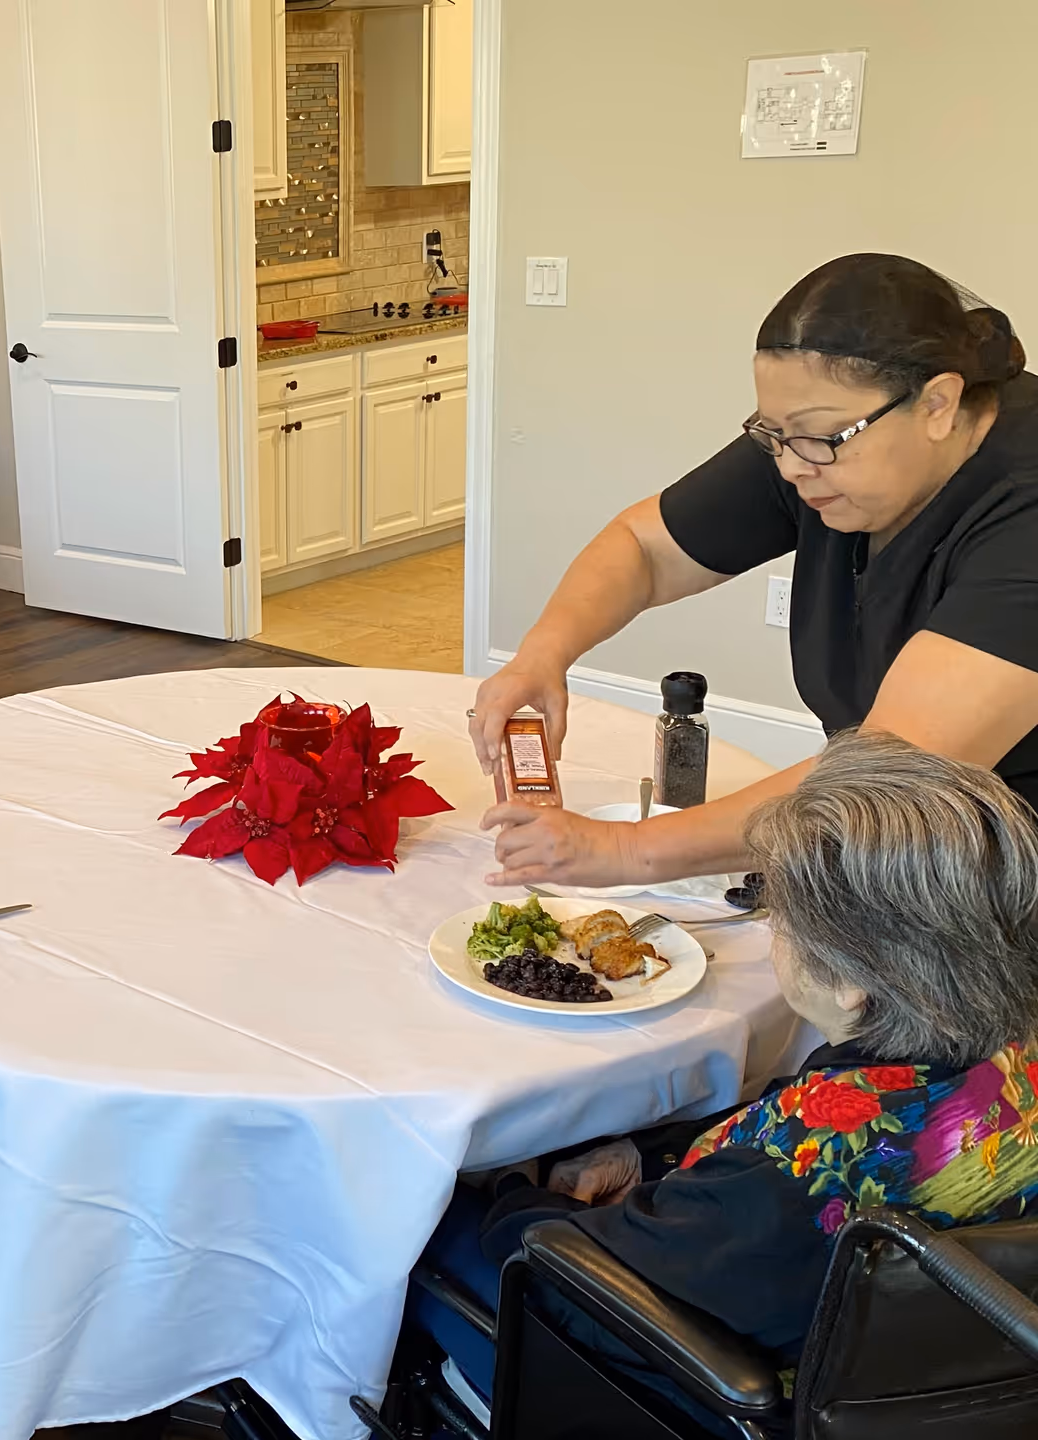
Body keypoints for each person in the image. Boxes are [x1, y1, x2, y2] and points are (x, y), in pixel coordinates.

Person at [411, 729, 1038, 1417]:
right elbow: (795, 1119)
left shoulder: (790, 1179)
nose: (776, 934)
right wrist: (648, 1156)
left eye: (784, 919)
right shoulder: (995, 1049)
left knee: (416, 1211)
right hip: (924, 1359)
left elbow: (563, 1272)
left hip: (671, 1387)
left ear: (852, 982)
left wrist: (511, 1192)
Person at [470, 253, 1038, 887]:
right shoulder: (816, 447)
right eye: (774, 434)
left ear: (937, 403)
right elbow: (645, 547)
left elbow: (891, 771)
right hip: (885, 843)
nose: (792, 468)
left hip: (1004, 887)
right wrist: (541, 656)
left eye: (816, 438)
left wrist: (626, 851)